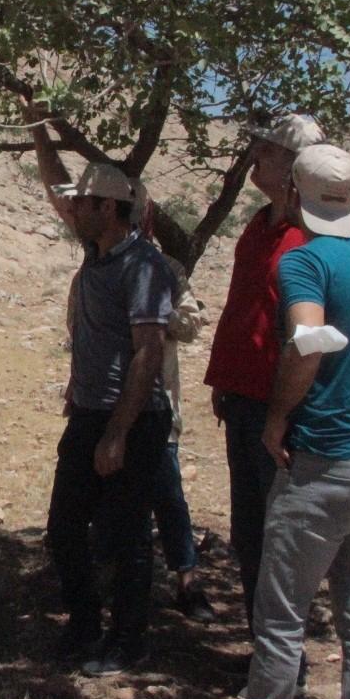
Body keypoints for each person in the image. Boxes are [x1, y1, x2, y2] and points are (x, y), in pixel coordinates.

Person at [169, 144, 350, 699]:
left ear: (297, 198)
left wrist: (276, 420)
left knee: (280, 622)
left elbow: (306, 339)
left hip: (324, 468)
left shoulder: (305, 261)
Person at [30, 126, 175, 675]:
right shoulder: (99, 247)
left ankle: (129, 640)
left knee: (126, 534)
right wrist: (38, 130)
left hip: (130, 420)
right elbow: (55, 186)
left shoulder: (144, 267)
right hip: (90, 413)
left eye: (86, 201)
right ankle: (86, 626)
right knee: (65, 527)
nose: (74, 207)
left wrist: (118, 431)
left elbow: (148, 353)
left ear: (111, 209)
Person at [202, 112, 324, 687]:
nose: (256, 154)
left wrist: (286, 411)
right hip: (244, 401)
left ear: (294, 168)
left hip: (282, 410)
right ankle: (269, 656)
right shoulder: (257, 225)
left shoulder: (311, 237)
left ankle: (286, 664)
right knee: (250, 533)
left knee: (281, 537)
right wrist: (224, 380)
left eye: (269, 150)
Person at [151, 253, 214, 622]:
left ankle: (187, 581)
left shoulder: (169, 270)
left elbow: (191, 325)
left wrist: (159, 312)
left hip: (160, 406)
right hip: (106, 405)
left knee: (170, 498)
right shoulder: (93, 268)